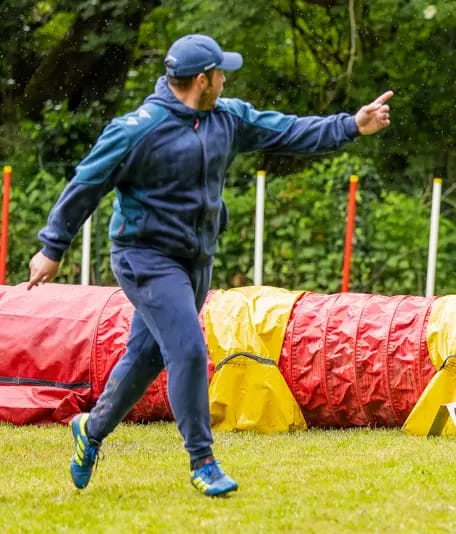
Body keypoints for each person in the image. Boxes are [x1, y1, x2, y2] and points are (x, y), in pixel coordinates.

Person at [26, 33, 393, 497]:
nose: (225, 78)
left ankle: (91, 429)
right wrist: (52, 247)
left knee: (146, 355)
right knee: (190, 350)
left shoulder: (227, 118)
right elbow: (86, 183)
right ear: (202, 80)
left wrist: (350, 126)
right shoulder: (137, 129)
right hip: (144, 257)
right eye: (221, 72)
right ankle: (203, 461)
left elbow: (288, 131)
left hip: (196, 258)